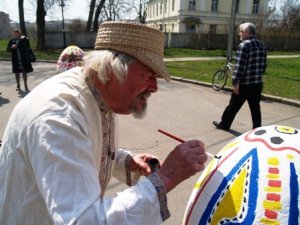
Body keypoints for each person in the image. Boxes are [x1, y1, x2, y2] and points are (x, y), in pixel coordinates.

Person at [0, 21, 208, 225]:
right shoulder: (58, 117)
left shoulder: (95, 91)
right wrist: (166, 177)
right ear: (110, 70)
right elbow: (85, 220)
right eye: (147, 75)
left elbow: (84, 145)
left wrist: (124, 160)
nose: (154, 87)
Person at [213, 22, 267, 131]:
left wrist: (235, 83)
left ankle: (224, 125)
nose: (239, 34)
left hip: (244, 84)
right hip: (257, 84)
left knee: (233, 106)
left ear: (247, 32)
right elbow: (264, 66)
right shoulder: (261, 45)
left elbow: (240, 67)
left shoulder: (244, 45)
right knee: (255, 108)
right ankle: (257, 130)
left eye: (241, 31)